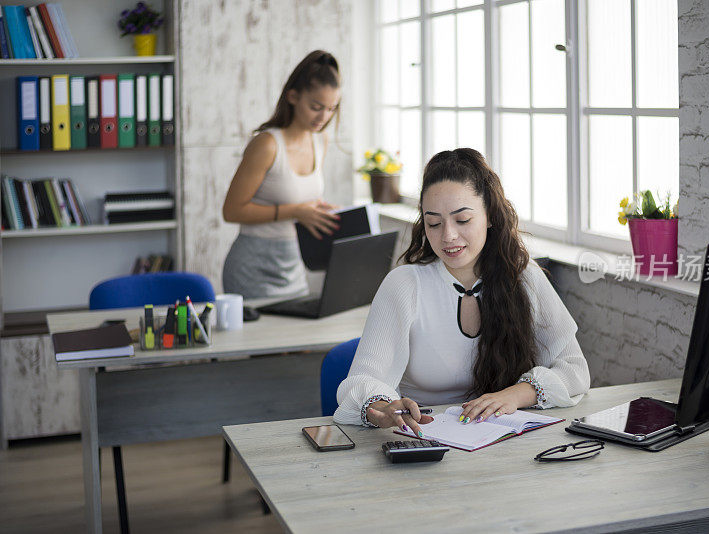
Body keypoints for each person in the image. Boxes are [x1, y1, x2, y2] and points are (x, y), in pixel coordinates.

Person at [333, 148, 589, 437]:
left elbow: (575, 370)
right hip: (425, 441)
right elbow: (360, 381)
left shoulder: (524, 276)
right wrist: (383, 406)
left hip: (503, 442)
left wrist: (514, 396)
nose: (448, 236)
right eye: (434, 223)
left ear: (490, 215)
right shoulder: (404, 284)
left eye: (462, 220)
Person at [222, 50, 342, 299]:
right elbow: (231, 211)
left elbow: (296, 197)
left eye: (331, 109)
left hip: (294, 265)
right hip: (252, 268)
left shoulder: (321, 141)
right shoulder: (266, 145)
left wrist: (316, 210)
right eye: (316, 107)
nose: (324, 117)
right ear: (293, 96)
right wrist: (297, 211)